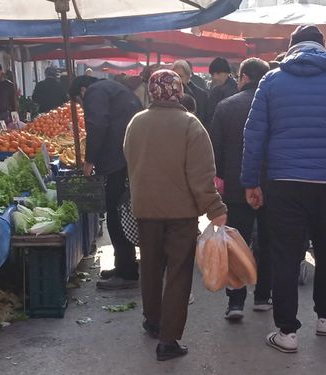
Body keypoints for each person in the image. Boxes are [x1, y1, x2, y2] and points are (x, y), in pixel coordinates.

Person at [241, 25, 326, 353]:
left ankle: (287, 332)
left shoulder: (271, 81)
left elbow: (253, 135)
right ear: (324, 48)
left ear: (291, 47)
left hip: (283, 183)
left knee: (285, 253)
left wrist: (250, 182)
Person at [124, 70, 227, 361]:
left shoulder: (136, 122)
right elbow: (202, 175)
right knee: (178, 274)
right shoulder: (190, 125)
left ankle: (152, 320)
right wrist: (215, 209)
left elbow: (130, 158)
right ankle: (168, 340)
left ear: (153, 92)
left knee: (151, 269)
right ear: (178, 92)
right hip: (181, 214)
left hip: (145, 210)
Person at [210, 57, 273, 320]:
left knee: (236, 243)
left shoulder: (225, 106)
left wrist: (221, 180)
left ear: (244, 77)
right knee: (269, 243)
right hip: (272, 187)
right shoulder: (275, 106)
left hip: (236, 188)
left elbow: (216, 151)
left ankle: (235, 302)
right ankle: (262, 296)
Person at [69, 75, 143, 290]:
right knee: (121, 211)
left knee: (115, 213)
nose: (82, 106)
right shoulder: (115, 88)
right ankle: (124, 265)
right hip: (127, 155)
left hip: (116, 160)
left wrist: (90, 159)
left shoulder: (95, 91)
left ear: (82, 90)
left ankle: (127, 272)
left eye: (79, 102)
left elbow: (97, 123)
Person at [172, 60, 208, 126]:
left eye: (180, 76)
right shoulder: (167, 94)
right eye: (175, 76)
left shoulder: (201, 96)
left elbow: (204, 121)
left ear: (188, 77)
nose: (177, 80)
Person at [206, 57, 238, 126]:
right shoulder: (215, 90)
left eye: (218, 73)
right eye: (213, 75)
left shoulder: (236, 89)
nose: (215, 77)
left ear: (227, 72)